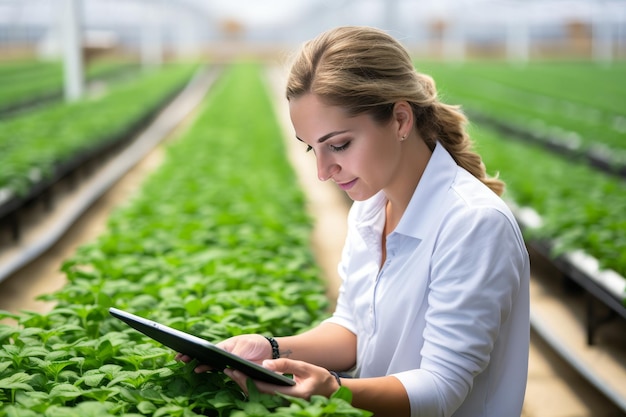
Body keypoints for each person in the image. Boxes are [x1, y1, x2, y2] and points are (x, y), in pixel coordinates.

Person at [177, 26, 530, 417]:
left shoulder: (473, 224)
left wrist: (334, 389)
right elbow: (353, 330)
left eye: (339, 145)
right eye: (314, 149)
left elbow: (442, 388)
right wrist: (270, 347)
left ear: (399, 119)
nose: (324, 172)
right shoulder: (371, 208)